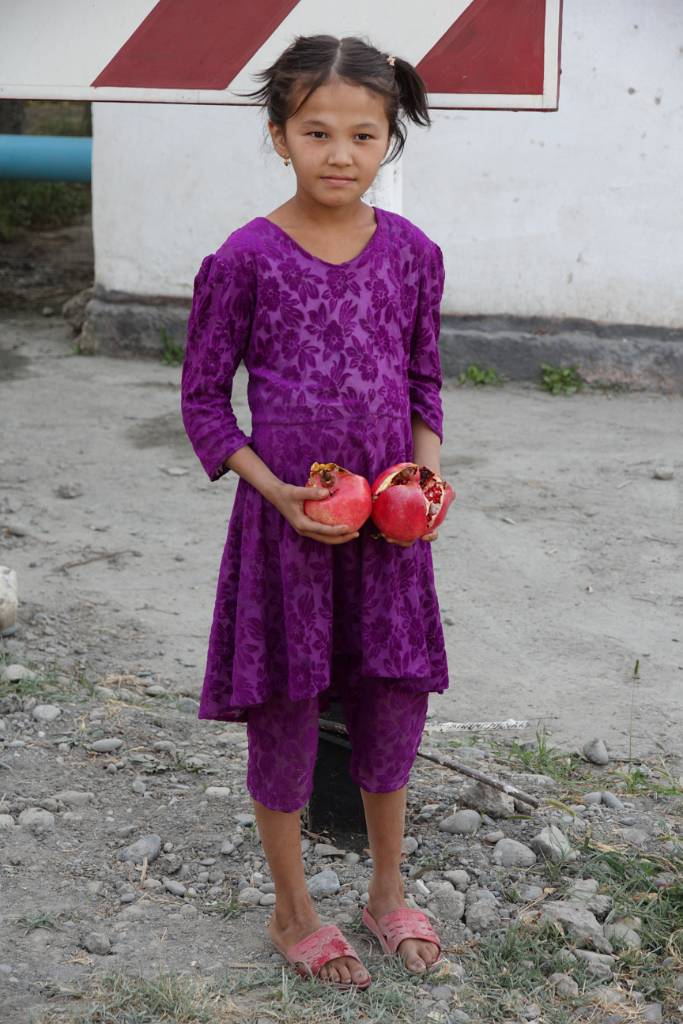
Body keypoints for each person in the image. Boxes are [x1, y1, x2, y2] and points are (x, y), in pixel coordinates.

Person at [181, 33, 451, 991]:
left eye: (364, 135)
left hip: (385, 537)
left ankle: (386, 890)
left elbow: (424, 383)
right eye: (317, 132)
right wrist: (279, 495)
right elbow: (204, 403)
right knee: (287, 714)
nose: (341, 153)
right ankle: (291, 906)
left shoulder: (414, 257)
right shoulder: (245, 260)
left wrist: (416, 484)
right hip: (286, 535)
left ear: (390, 141)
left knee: (390, 705)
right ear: (279, 134)